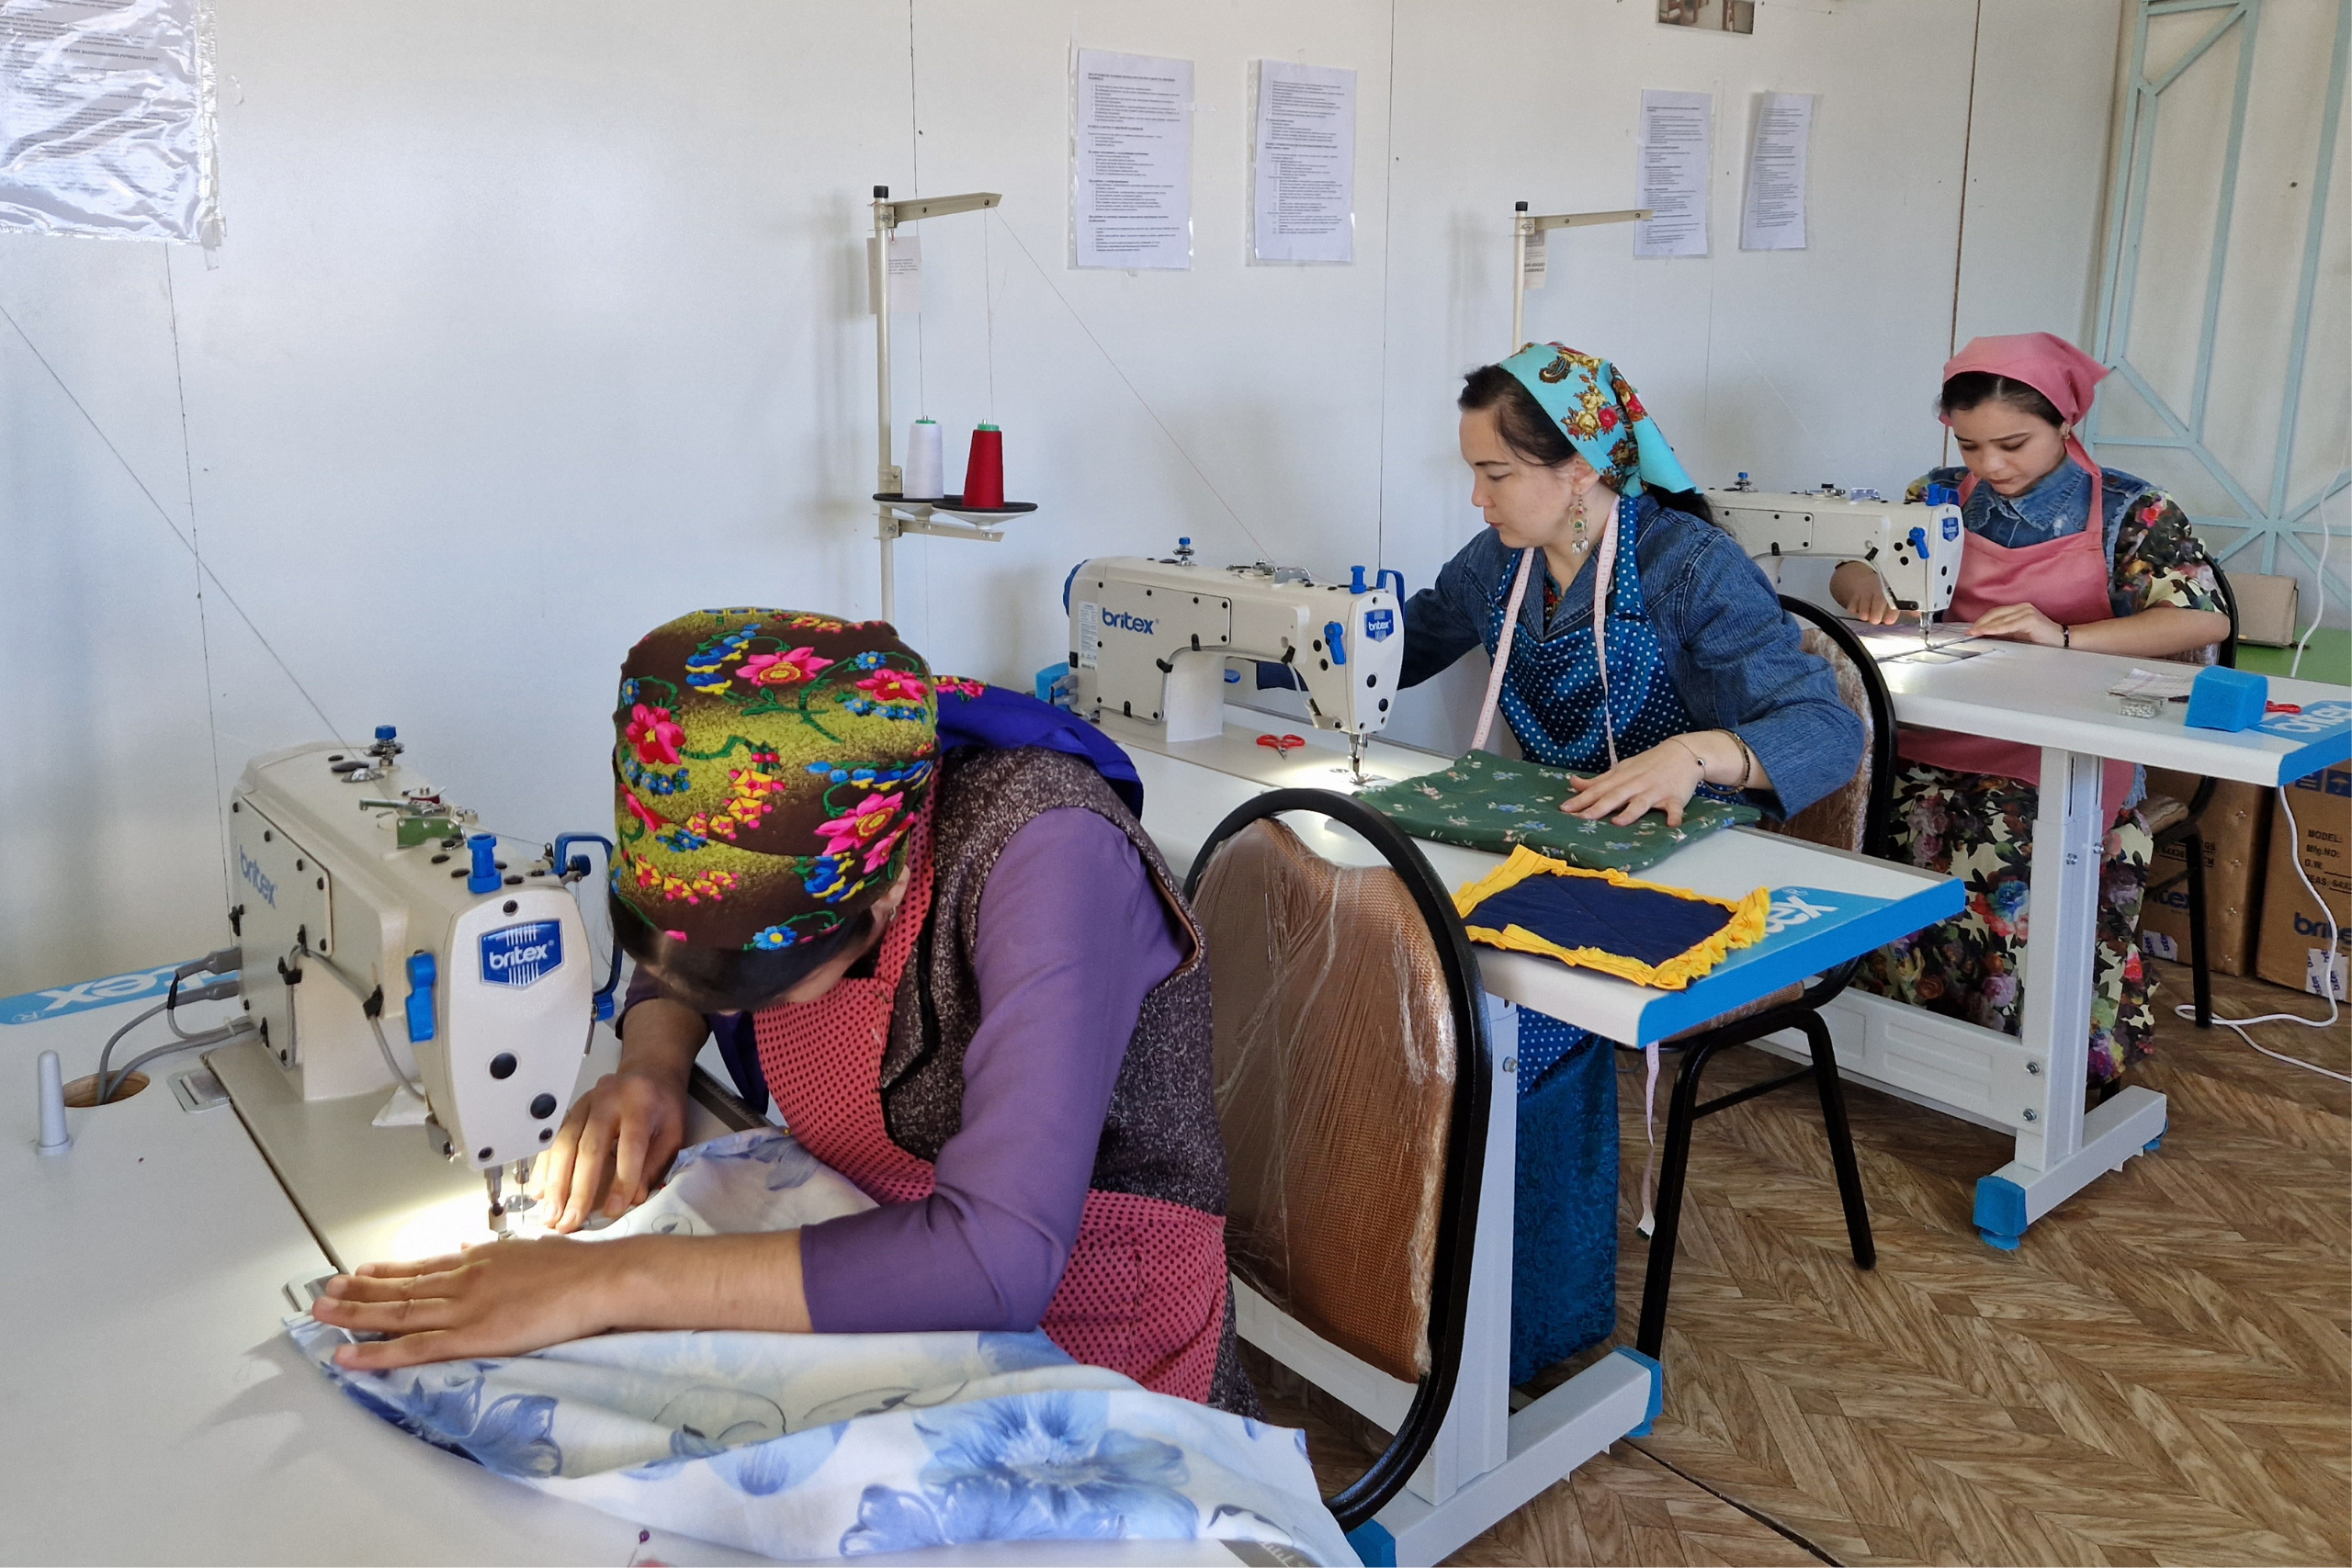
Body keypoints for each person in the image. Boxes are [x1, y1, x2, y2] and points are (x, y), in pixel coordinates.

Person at [310, 609, 1258, 1416]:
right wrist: (648, 1064)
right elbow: (693, 952)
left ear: (881, 895)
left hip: (1093, 1335)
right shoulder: (763, 784)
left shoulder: (1051, 854)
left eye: (761, 989)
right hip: (868, 1241)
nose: (726, 1002)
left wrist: (600, 1281)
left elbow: (1000, 1259)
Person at [1398, 343, 1864, 1380]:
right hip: (1554, 840)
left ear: (1581, 470)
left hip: (1684, 863)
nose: (1474, 498)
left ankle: (1530, 1330)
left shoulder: (1689, 565)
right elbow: (1385, 645)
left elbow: (1826, 731)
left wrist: (1700, 754)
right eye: (1470, 472)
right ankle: (1413, 1280)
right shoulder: (1493, 568)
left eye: (1495, 473)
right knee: (1394, 958)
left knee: (1521, 1020)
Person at [1835, 333, 2229, 1086]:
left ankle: (2031, 1069)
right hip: (1938, 726)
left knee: (2006, 849)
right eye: (1971, 444)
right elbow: (1864, 557)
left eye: (2012, 444)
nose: (1990, 466)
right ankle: (1891, 1040)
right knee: (1850, 815)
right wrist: (1860, 583)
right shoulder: (1938, 492)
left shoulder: (2130, 510)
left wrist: (2065, 634)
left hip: (2068, 747)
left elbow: (2200, 618)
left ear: (2065, 422)